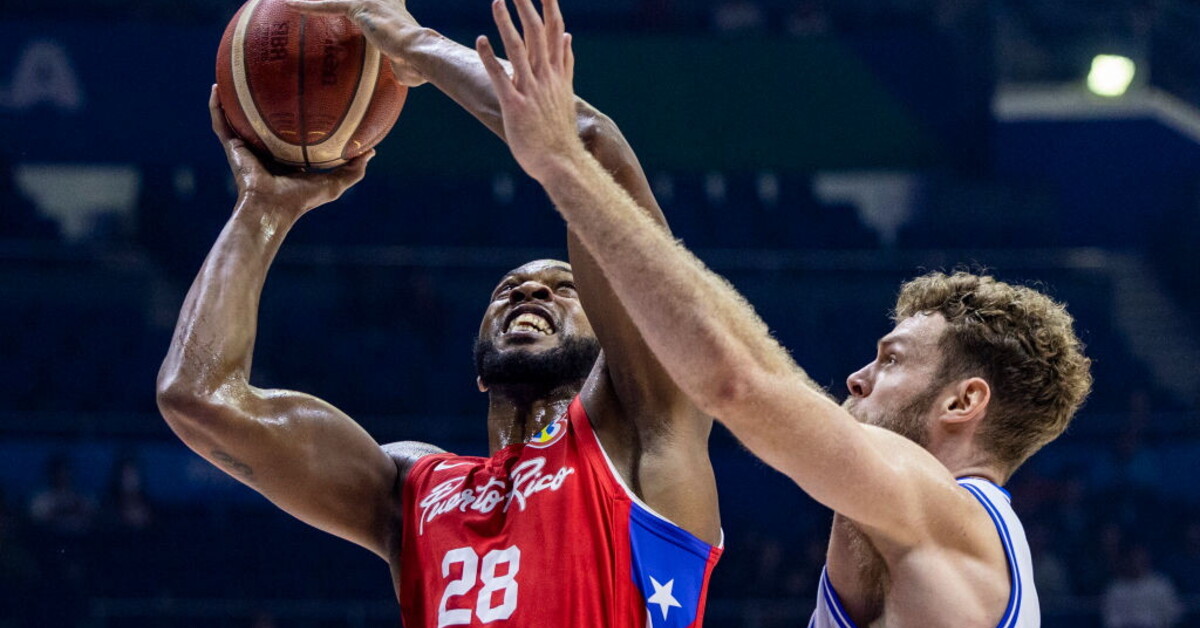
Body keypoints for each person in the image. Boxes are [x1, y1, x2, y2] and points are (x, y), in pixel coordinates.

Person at [460, 0, 1093, 625]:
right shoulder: (912, 548)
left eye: (891, 360)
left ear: (963, 403)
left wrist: (562, 169)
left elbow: (737, 382)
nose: (856, 378)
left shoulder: (951, 515)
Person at [157, 25, 722, 628]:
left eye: (565, 288)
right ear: (476, 367)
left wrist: (412, 42)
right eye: (507, 290)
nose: (529, 290)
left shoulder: (651, 429)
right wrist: (264, 208)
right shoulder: (414, 491)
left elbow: (588, 148)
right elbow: (198, 398)